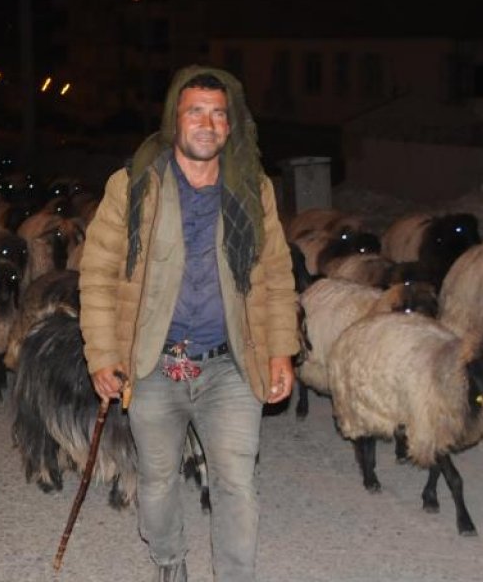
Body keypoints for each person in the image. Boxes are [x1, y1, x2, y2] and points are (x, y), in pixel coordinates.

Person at [78, 66, 298, 582]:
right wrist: (103, 354)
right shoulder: (136, 184)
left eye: (219, 114)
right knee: (157, 481)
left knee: (237, 483)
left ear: (231, 125)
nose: (207, 123)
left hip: (230, 364)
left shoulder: (252, 187)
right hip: (154, 364)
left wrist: (281, 349)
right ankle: (169, 559)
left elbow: (276, 273)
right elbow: (98, 272)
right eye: (195, 111)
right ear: (175, 119)